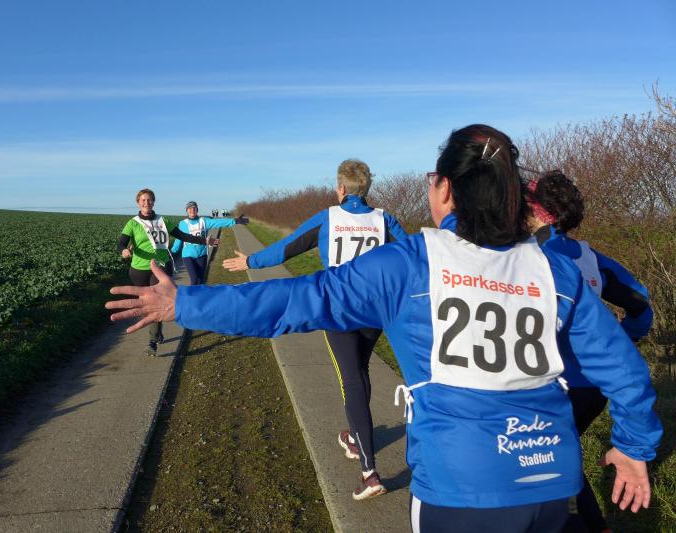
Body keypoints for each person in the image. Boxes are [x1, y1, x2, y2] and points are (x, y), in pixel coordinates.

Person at [107, 125, 662, 532]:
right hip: (550, 483)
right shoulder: (555, 271)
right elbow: (626, 372)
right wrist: (634, 448)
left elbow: (293, 301)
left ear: (445, 189)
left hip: (460, 491)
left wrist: (186, 304)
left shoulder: (412, 264)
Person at [223, 158, 409, 500]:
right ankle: (353, 437)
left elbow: (287, 248)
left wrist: (250, 261)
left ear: (340, 188)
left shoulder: (329, 217)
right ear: (367, 188)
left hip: (338, 311)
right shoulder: (384, 219)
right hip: (374, 313)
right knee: (360, 371)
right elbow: (410, 257)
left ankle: (369, 473)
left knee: (351, 379)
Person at [527, 171, 654, 533]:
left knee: (550, 462)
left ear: (535, 210)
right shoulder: (590, 256)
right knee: (558, 455)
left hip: (553, 386)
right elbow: (641, 306)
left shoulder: (529, 257)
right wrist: (618, 344)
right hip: (595, 386)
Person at [117, 188, 218, 356]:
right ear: (138, 202)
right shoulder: (133, 223)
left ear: (153, 202)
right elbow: (121, 243)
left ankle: (152, 341)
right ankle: (157, 332)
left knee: (155, 302)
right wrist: (124, 250)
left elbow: (183, 236)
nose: (146, 202)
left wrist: (205, 240)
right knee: (147, 305)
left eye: (149, 199)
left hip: (161, 267)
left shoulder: (163, 221)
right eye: (143, 200)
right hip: (138, 269)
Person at [171, 201, 248, 286]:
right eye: (189, 208)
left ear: (197, 210)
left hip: (202, 255)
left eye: (194, 208)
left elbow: (218, 222)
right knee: (194, 279)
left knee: (201, 280)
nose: (192, 210)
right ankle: (192, 294)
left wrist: (234, 221)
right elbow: (179, 238)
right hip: (188, 256)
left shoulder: (203, 221)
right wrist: (172, 251)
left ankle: (201, 294)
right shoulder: (183, 224)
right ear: (186, 210)